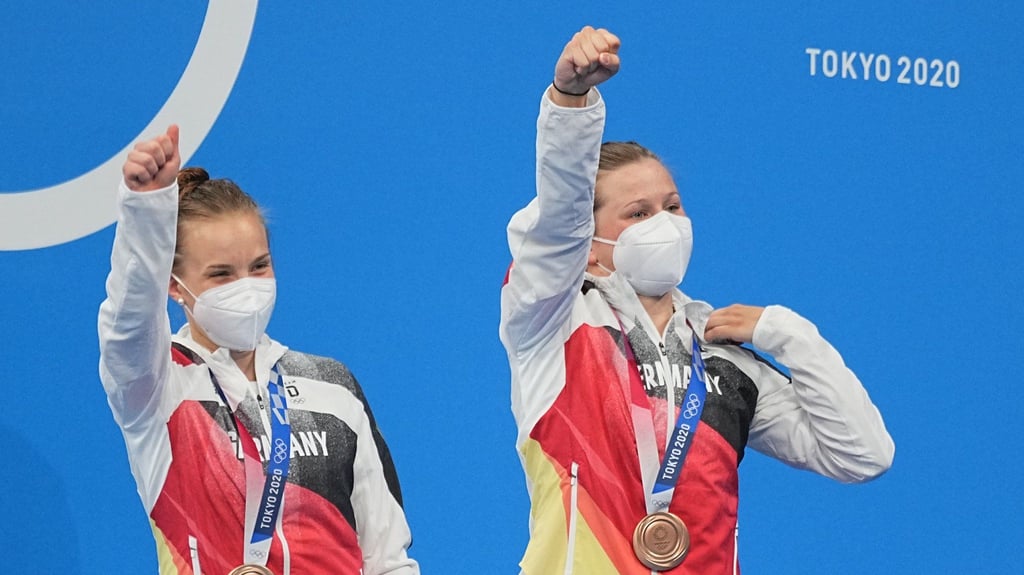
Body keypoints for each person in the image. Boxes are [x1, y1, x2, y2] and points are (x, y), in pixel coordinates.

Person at [499, 27, 895, 574]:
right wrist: (572, 105)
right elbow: (556, 227)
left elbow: (862, 454)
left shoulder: (725, 357)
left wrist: (787, 334)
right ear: (589, 246)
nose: (662, 223)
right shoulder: (552, 324)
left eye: (673, 207)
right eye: (637, 213)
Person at [98, 125, 418, 575]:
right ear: (174, 285)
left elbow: (387, 556)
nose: (246, 286)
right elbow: (128, 321)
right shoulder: (157, 389)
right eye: (221, 274)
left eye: (259, 266)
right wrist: (146, 211)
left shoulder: (332, 386)